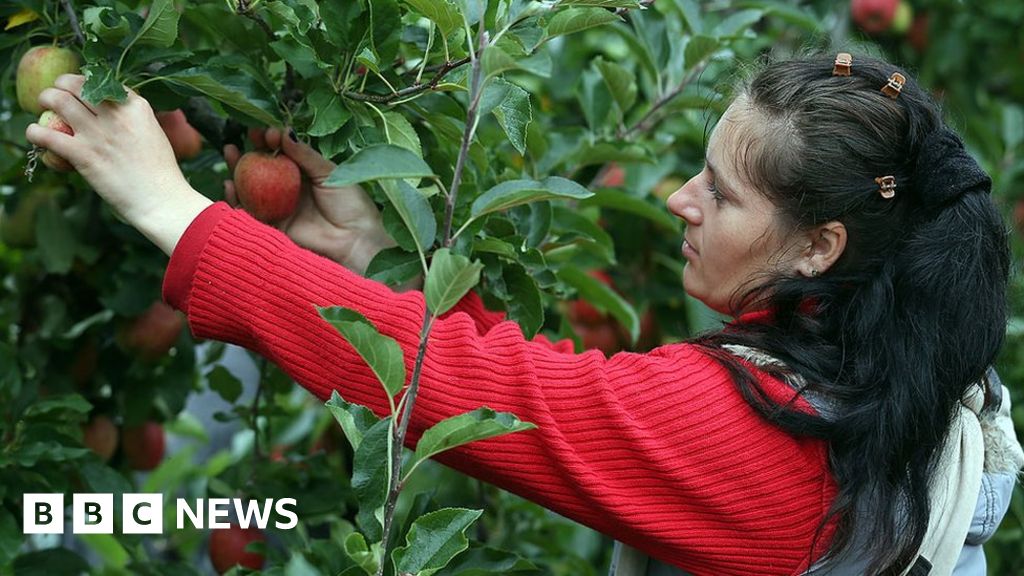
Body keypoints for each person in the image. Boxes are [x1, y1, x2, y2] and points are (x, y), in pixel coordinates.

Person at [25, 53, 1024, 576]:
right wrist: (377, 257)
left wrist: (173, 209)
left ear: (819, 247)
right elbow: (581, 400)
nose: (679, 199)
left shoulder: (772, 449)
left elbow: (487, 395)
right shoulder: (886, 366)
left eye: (718, 194)